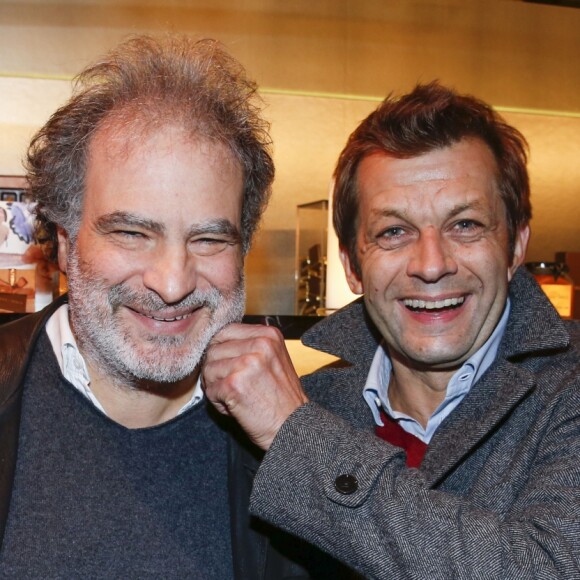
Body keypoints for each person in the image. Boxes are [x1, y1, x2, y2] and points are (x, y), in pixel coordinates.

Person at [0, 34, 353, 578]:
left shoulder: (301, 441)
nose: (171, 282)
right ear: (66, 242)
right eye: (133, 232)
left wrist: (300, 446)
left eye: (209, 240)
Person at [203, 82, 580, 578]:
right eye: (393, 232)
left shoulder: (567, 392)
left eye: (464, 224)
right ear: (353, 266)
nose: (431, 264)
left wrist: (298, 438)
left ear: (514, 247)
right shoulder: (307, 405)